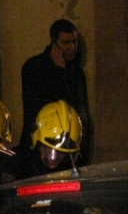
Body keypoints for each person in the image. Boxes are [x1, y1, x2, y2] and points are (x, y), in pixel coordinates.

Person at [19, 18, 91, 161]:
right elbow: (39, 107)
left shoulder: (75, 72)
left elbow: (77, 107)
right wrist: (59, 72)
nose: (72, 47)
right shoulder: (34, 67)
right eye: (66, 43)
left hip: (68, 144)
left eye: (74, 42)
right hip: (42, 143)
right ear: (54, 43)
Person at [14, 99, 84, 178]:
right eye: (49, 148)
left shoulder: (76, 169)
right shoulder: (16, 166)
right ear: (36, 141)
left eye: (62, 151)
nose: (54, 158)